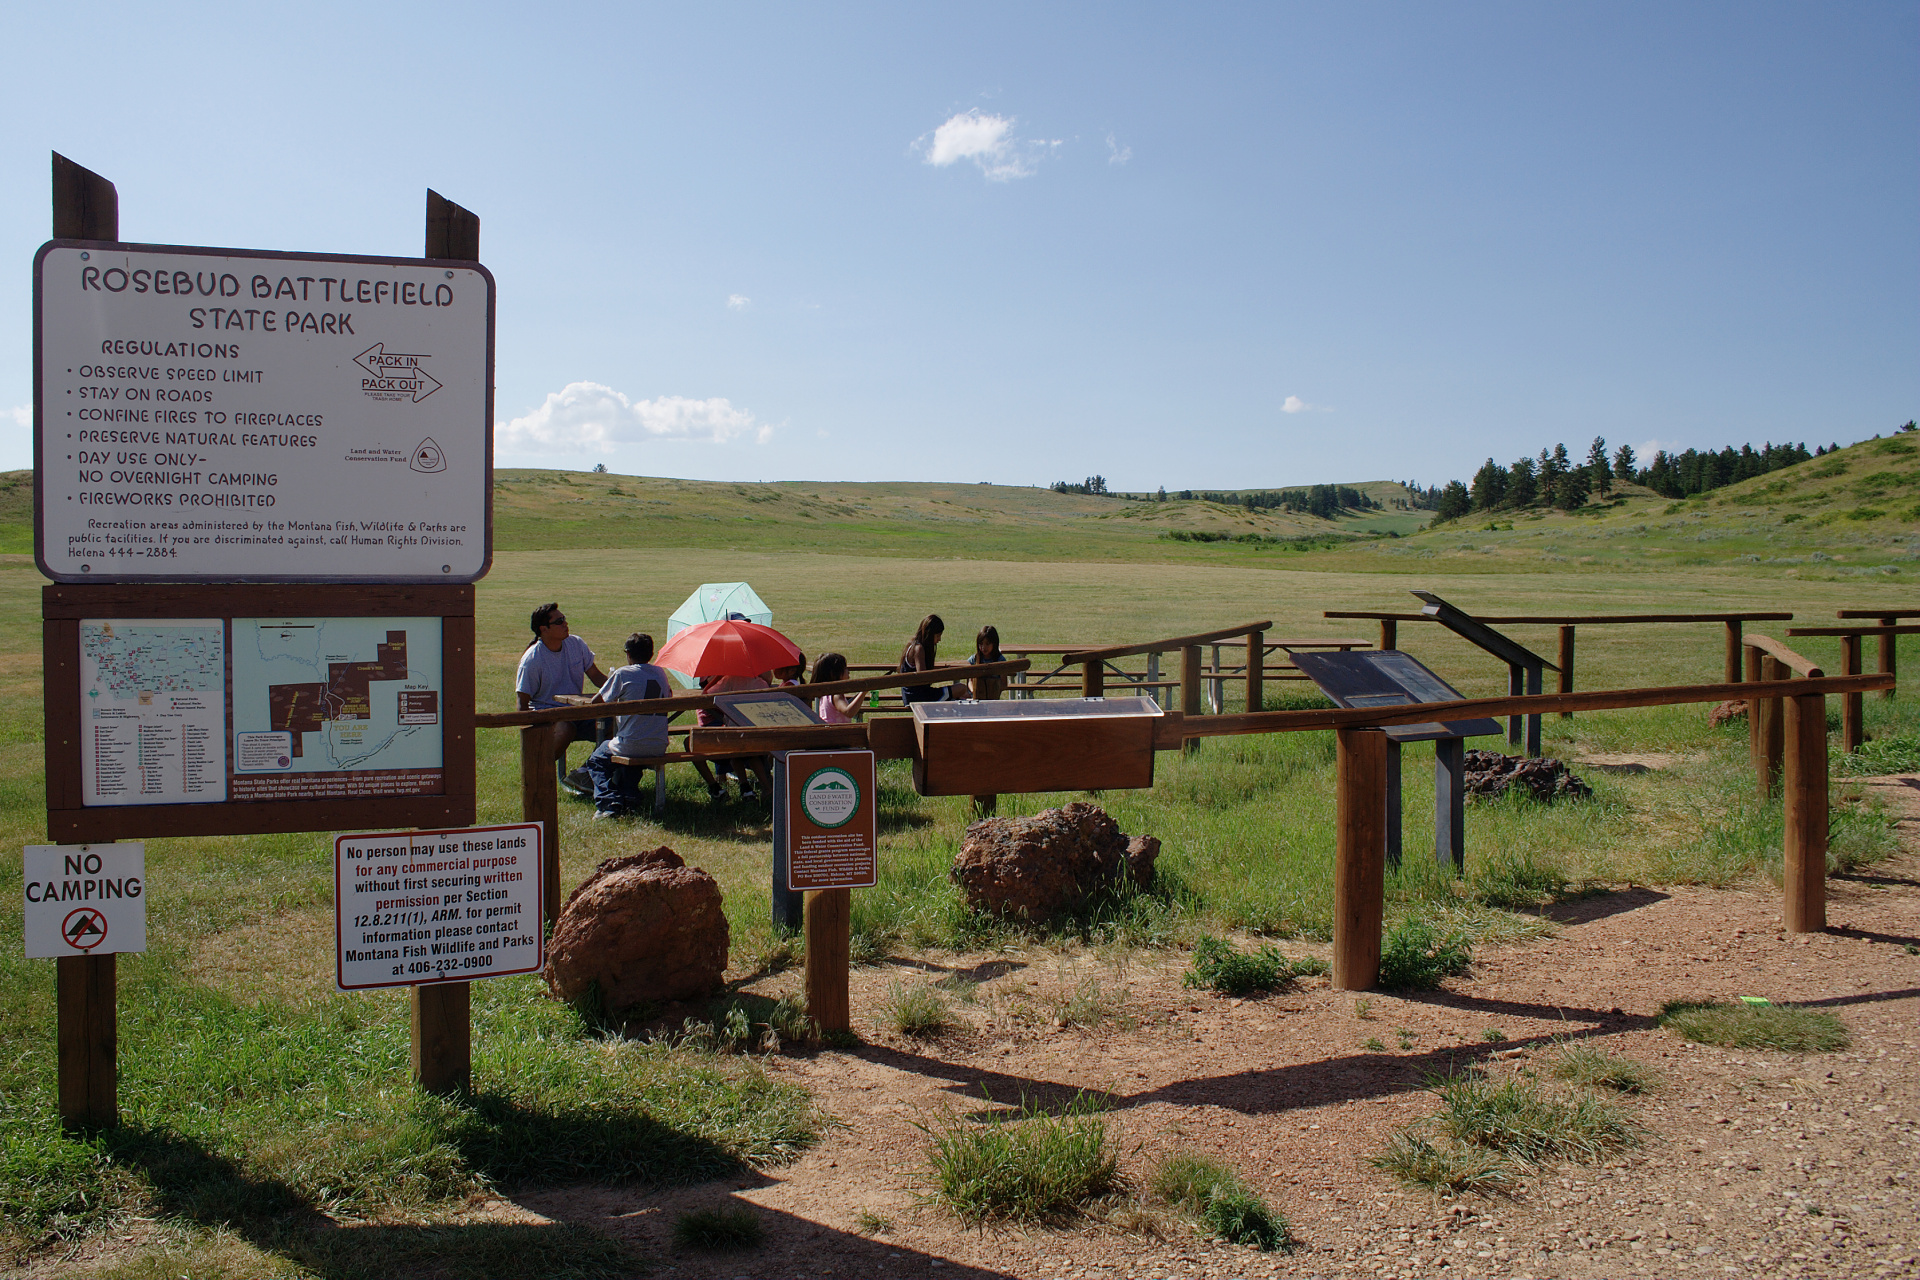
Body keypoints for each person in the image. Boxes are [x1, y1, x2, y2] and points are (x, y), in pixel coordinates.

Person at [515, 603, 607, 793]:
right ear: (544, 629)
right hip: (547, 716)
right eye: (559, 621)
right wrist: (532, 732)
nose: (565, 624)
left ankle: (584, 773)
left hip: (577, 713)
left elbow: (596, 676)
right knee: (565, 728)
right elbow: (522, 704)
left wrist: (620, 688)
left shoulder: (576, 644)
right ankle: (537, 774)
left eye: (564, 619)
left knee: (614, 724)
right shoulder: (532, 659)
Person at [581, 633, 672, 818]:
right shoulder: (660, 673)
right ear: (651, 653)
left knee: (596, 760)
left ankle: (608, 802)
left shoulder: (623, 673)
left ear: (628, 654)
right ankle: (630, 796)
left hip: (630, 743)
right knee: (631, 750)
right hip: (658, 744)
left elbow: (597, 702)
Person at [898, 613, 964, 705]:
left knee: (961, 692)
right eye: (938, 636)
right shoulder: (918, 649)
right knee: (961, 688)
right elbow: (923, 677)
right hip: (918, 698)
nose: (939, 639)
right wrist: (945, 675)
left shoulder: (913, 645)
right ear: (929, 634)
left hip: (914, 695)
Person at [810, 652, 865, 724]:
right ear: (833, 674)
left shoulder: (826, 693)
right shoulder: (835, 694)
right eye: (844, 668)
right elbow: (849, 712)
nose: (848, 671)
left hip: (830, 730)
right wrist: (863, 692)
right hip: (837, 731)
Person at [968, 625, 1008, 700]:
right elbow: (970, 681)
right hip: (977, 698)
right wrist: (974, 690)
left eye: (987, 644)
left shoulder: (1000, 660)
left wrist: (992, 689)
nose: (984, 647)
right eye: (981, 644)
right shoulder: (974, 659)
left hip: (993, 698)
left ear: (994, 644)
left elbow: (1004, 683)